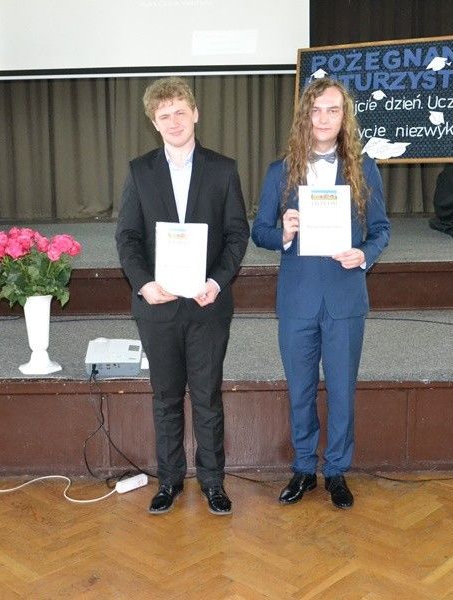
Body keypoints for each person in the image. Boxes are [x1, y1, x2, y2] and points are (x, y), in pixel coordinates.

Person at [251, 78, 390, 509]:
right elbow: (260, 231)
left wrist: (364, 255)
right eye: (316, 110)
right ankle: (303, 468)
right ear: (305, 117)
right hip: (298, 299)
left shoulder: (363, 169)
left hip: (345, 297)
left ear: (344, 117)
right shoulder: (281, 172)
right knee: (301, 389)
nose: (324, 118)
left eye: (333, 110)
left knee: (342, 390)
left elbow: (381, 230)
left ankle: (336, 471)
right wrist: (283, 234)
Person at [115, 77, 249, 515]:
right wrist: (143, 284)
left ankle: (213, 482)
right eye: (164, 115)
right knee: (166, 398)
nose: (173, 121)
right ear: (154, 123)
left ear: (195, 114)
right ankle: (169, 481)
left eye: (179, 112)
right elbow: (128, 238)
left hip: (208, 304)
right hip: (158, 306)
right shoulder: (140, 171)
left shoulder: (223, 169)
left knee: (207, 397)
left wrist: (217, 281)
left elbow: (236, 235)